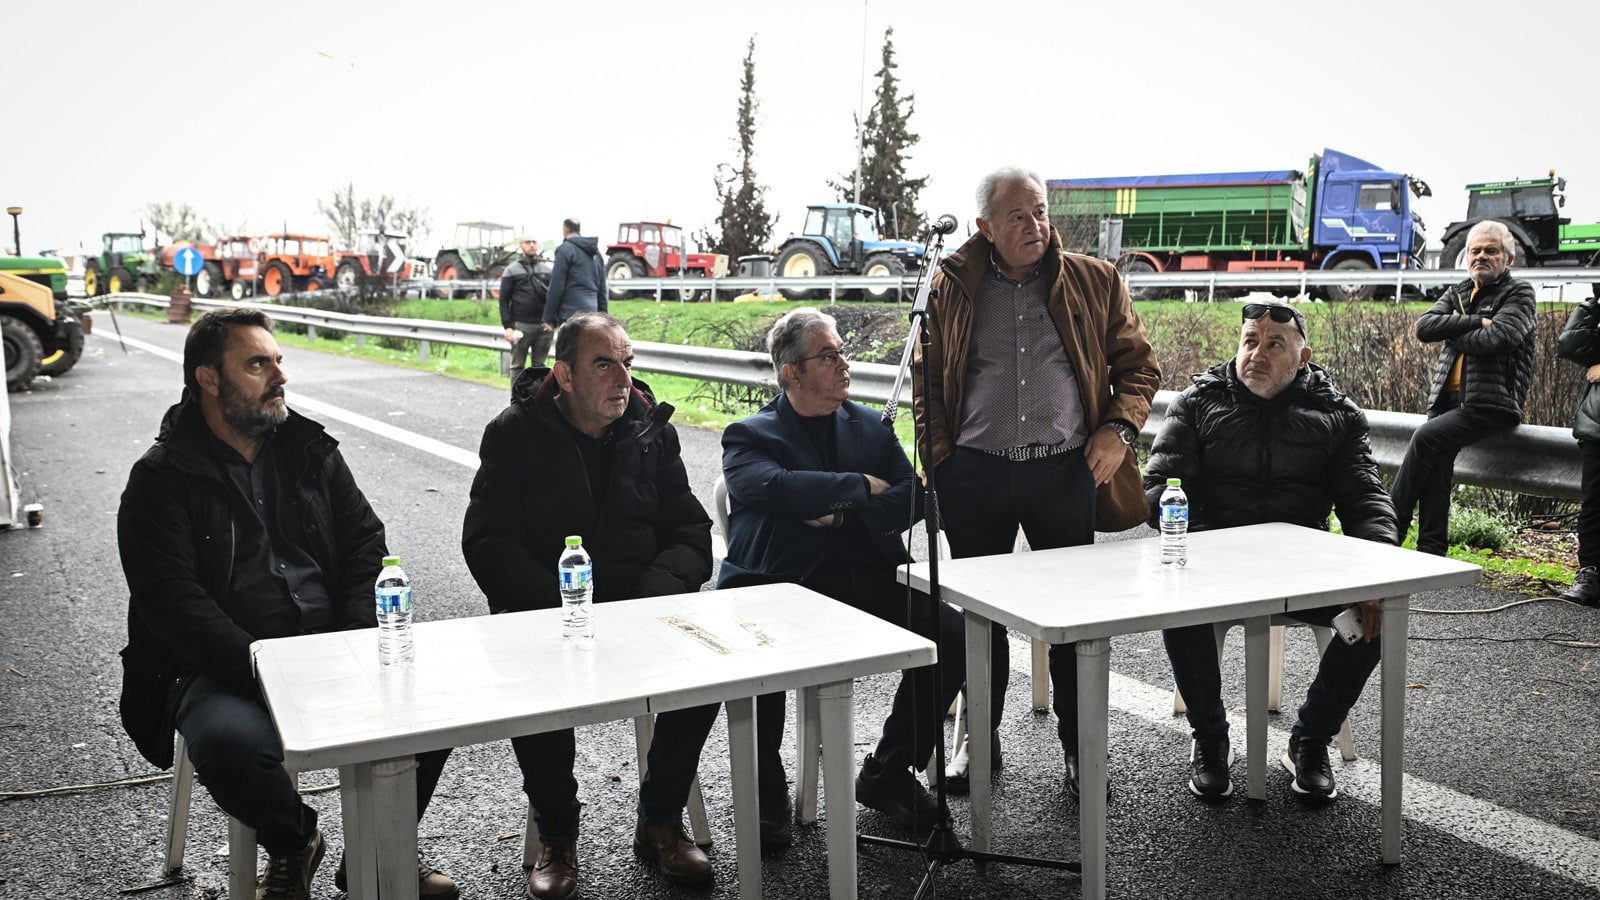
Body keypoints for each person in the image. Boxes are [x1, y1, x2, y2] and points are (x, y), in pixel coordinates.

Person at [116, 308, 456, 900]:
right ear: (209, 379)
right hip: (223, 664)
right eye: (257, 364)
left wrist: (355, 638)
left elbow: (366, 546)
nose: (279, 376)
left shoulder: (308, 450)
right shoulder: (160, 479)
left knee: (439, 705)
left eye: (278, 361)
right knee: (230, 744)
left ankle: (377, 851)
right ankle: (294, 840)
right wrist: (261, 665)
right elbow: (172, 602)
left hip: (330, 644)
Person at [911, 165, 1160, 798]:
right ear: (985, 227)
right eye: (1018, 216)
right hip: (975, 473)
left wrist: (1120, 430)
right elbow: (924, 383)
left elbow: (1140, 368)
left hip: (1064, 469)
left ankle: (1080, 747)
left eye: (1040, 212)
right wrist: (940, 463)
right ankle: (978, 739)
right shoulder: (949, 286)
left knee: (1072, 617)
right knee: (980, 617)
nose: (1035, 226)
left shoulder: (1095, 280)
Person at [461, 312, 716, 899]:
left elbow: (690, 530)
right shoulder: (515, 433)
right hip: (549, 611)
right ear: (566, 375)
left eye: (627, 363)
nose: (622, 379)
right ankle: (557, 835)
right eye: (604, 365)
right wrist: (558, 607)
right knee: (530, 678)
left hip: (640, 605)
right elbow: (486, 542)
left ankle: (660, 818)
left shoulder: (652, 429)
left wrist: (654, 595)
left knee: (707, 670)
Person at [718, 307, 966, 841]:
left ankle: (888, 771)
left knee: (950, 631)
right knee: (759, 652)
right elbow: (770, 487)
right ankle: (765, 787)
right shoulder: (751, 434)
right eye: (828, 355)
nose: (843, 364)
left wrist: (839, 512)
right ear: (791, 372)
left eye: (842, 352)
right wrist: (859, 485)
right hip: (780, 584)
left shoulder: (869, 425)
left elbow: (914, 496)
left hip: (865, 574)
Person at [1144, 301, 1399, 802]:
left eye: (1274, 344)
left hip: (1301, 570)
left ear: (1303, 357)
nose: (1257, 354)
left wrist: (1376, 572)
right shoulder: (1197, 403)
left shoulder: (1337, 415)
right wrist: (1196, 533)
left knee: (1378, 615)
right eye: (1250, 341)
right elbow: (1161, 486)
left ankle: (1311, 739)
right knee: (1178, 605)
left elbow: (1366, 499)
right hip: (1216, 565)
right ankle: (1210, 737)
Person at [1390, 219, 1537, 556]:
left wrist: (1453, 331)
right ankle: (1432, 551)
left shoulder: (1518, 293)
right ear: (1467, 256)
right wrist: (1473, 321)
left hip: (1491, 403)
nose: (1481, 256)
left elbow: (1500, 337)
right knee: (1436, 469)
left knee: (1424, 438)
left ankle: (1386, 528)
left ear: (1508, 259)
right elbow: (1424, 327)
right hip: (1448, 401)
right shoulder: (1458, 291)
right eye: (1475, 250)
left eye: (1491, 251)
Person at [1555, 286, 1600, 606]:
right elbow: (1570, 344)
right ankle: (1590, 573)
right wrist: (1594, 304)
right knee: (1594, 504)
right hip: (1597, 424)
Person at [500, 235, 552, 374]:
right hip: (521, 325)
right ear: (520, 245)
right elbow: (504, 300)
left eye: (534, 242)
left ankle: (538, 390)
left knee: (540, 367)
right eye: (527, 242)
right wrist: (508, 327)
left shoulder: (547, 270)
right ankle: (517, 390)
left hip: (543, 326)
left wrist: (553, 321)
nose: (531, 245)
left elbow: (553, 298)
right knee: (517, 366)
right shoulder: (511, 270)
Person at [543, 218, 607, 328]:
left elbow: (557, 285)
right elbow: (602, 288)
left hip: (570, 314)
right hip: (593, 314)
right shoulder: (596, 253)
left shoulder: (564, 250)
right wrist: (604, 317)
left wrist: (548, 317)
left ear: (565, 229)